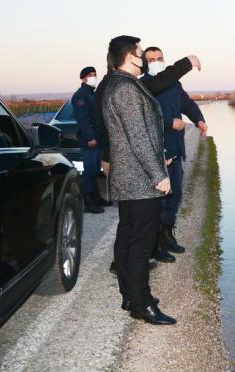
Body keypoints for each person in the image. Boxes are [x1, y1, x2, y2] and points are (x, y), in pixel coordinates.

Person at [102, 35, 176, 325]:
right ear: (130, 56)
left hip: (131, 176)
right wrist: (158, 174)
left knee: (129, 238)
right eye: (141, 53)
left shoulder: (117, 84)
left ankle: (131, 296)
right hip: (140, 181)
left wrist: (161, 156)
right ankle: (143, 303)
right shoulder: (126, 88)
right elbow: (138, 136)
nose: (145, 57)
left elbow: (139, 134)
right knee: (141, 244)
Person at [143, 46, 207, 259]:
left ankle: (167, 235)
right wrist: (171, 123)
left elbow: (187, 104)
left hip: (176, 149)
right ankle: (155, 244)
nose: (156, 61)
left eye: (159, 58)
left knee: (175, 195)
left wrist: (199, 119)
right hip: (156, 153)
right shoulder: (143, 86)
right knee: (159, 200)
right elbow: (144, 120)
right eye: (151, 59)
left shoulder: (174, 84)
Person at [71, 66, 110, 213]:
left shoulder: (92, 94)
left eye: (94, 74)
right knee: (89, 171)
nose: (93, 77)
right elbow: (83, 119)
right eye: (90, 75)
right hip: (90, 140)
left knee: (94, 170)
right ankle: (87, 202)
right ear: (83, 78)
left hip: (98, 138)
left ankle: (96, 197)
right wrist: (90, 137)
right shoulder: (81, 95)